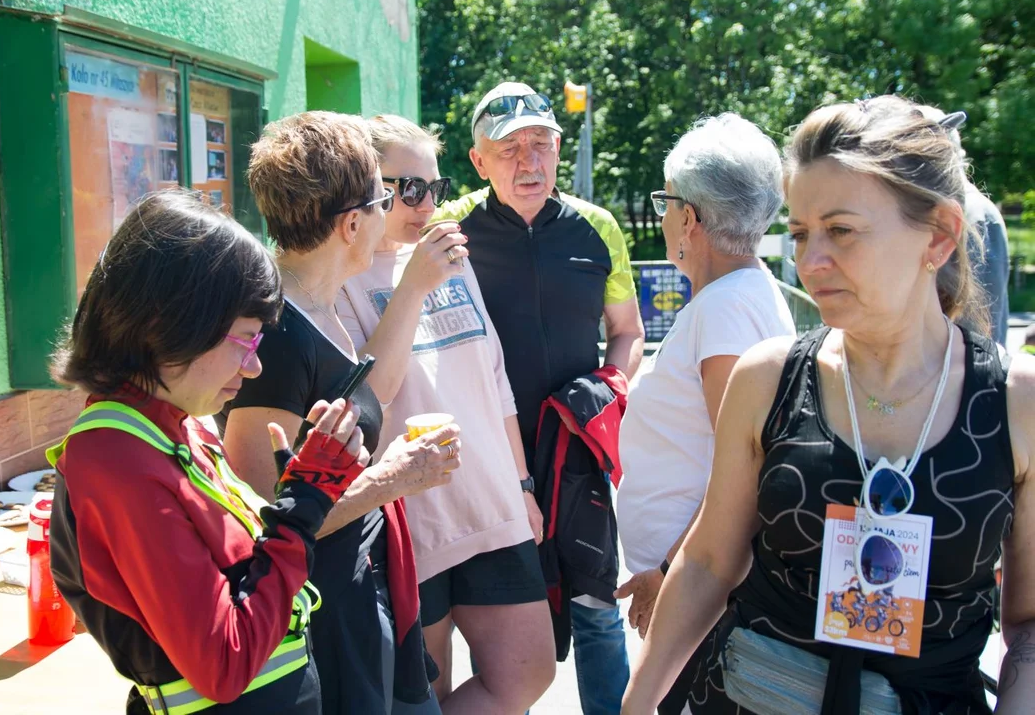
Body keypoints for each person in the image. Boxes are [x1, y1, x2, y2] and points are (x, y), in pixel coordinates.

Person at [622, 95, 1035, 715]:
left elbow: (1027, 619)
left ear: (941, 236)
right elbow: (709, 561)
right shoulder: (768, 378)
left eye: (840, 230)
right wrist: (639, 702)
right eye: (800, 233)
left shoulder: (1014, 401)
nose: (810, 262)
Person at [46, 189, 369, 714]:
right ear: (174, 324)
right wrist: (301, 513)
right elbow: (224, 663)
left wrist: (296, 496)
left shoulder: (173, 425)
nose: (254, 368)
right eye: (246, 340)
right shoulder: (117, 458)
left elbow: (241, 580)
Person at [221, 112, 462, 715]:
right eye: (384, 197)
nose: (394, 209)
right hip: (322, 621)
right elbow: (263, 520)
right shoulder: (275, 336)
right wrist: (395, 477)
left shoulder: (318, 310)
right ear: (352, 225)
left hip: (356, 593)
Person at [435, 81, 645, 714]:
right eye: (509, 149)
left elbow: (628, 331)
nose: (530, 163)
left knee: (596, 608)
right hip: (487, 466)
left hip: (576, 457)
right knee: (505, 627)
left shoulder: (598, 227)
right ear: (477, 161)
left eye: (542, 144)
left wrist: (614, 390)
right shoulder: (450, 232)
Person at [336, 114, 556, 712]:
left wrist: (522, 485)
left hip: (490, 500)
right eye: (408, 189)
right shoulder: (343, 278)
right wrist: (411, 287)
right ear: (367, 188)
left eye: (432, 187)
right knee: (423, 691)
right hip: (410, 520)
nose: (425, 203)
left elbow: (494, 379)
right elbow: (370, 396)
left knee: (529, 673)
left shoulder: (453, 258)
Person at [612, 114, 797, 714]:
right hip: (704, 585)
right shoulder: (747, 292)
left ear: (689, 218)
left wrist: (666, 571)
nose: (664, 217)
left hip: (702, 590)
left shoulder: (723, 311)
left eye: (666, 203)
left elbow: (737, 469)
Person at [916, 105, 1010, 345]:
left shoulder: (974, 211)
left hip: (962, 370)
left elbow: (983, 311)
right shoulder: (924, 204)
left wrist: (976, 375)